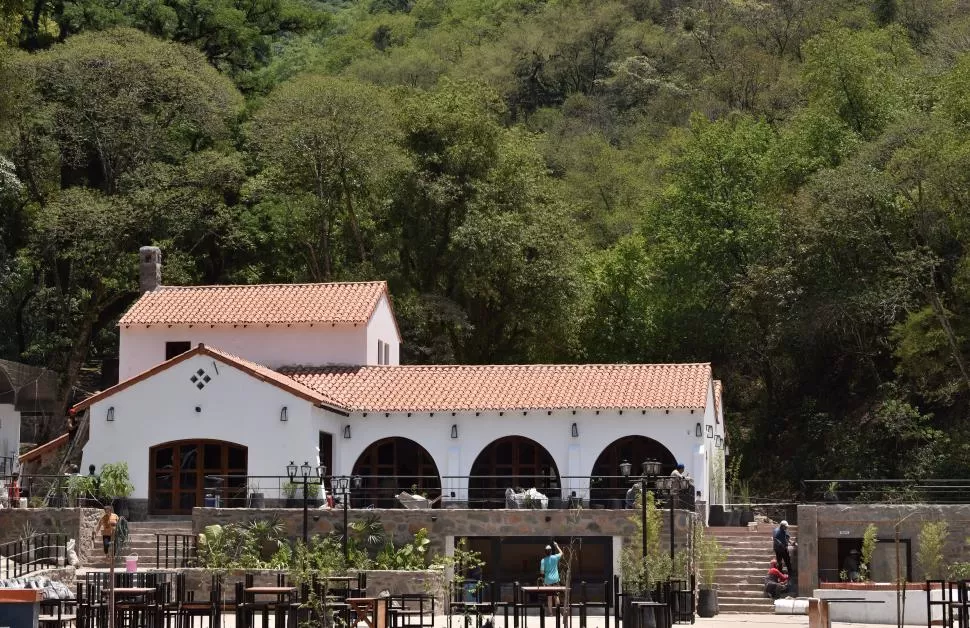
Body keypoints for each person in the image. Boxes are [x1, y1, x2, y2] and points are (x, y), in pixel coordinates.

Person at [540, 541, 563, 611]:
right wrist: (556, 545)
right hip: (556, 579)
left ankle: (550, 613)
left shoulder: (543, 560)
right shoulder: (555, 557)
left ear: (545, 552)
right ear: (551, 551)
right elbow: (561, 553)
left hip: (548, 581)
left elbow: (542, 572)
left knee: (549, 597)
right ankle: (558, 613)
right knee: (556, 596)